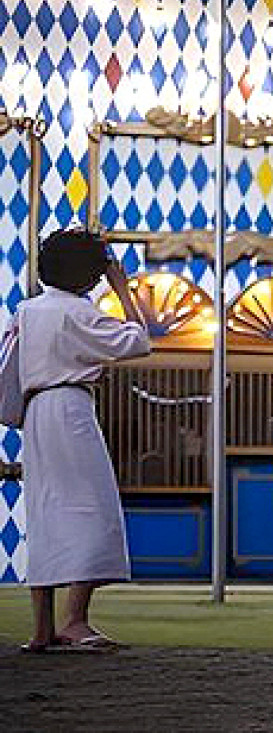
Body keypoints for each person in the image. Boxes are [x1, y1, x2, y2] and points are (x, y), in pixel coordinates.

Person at [9, 229, 152, 652]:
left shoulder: (27, 310)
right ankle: (75, 620)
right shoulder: (79, 312)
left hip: (35, 414)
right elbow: (138, 341)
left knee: (44, 511)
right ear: (89, 274)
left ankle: (41, 630)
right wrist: (123, 291)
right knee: (93, 508)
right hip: (70, 409)